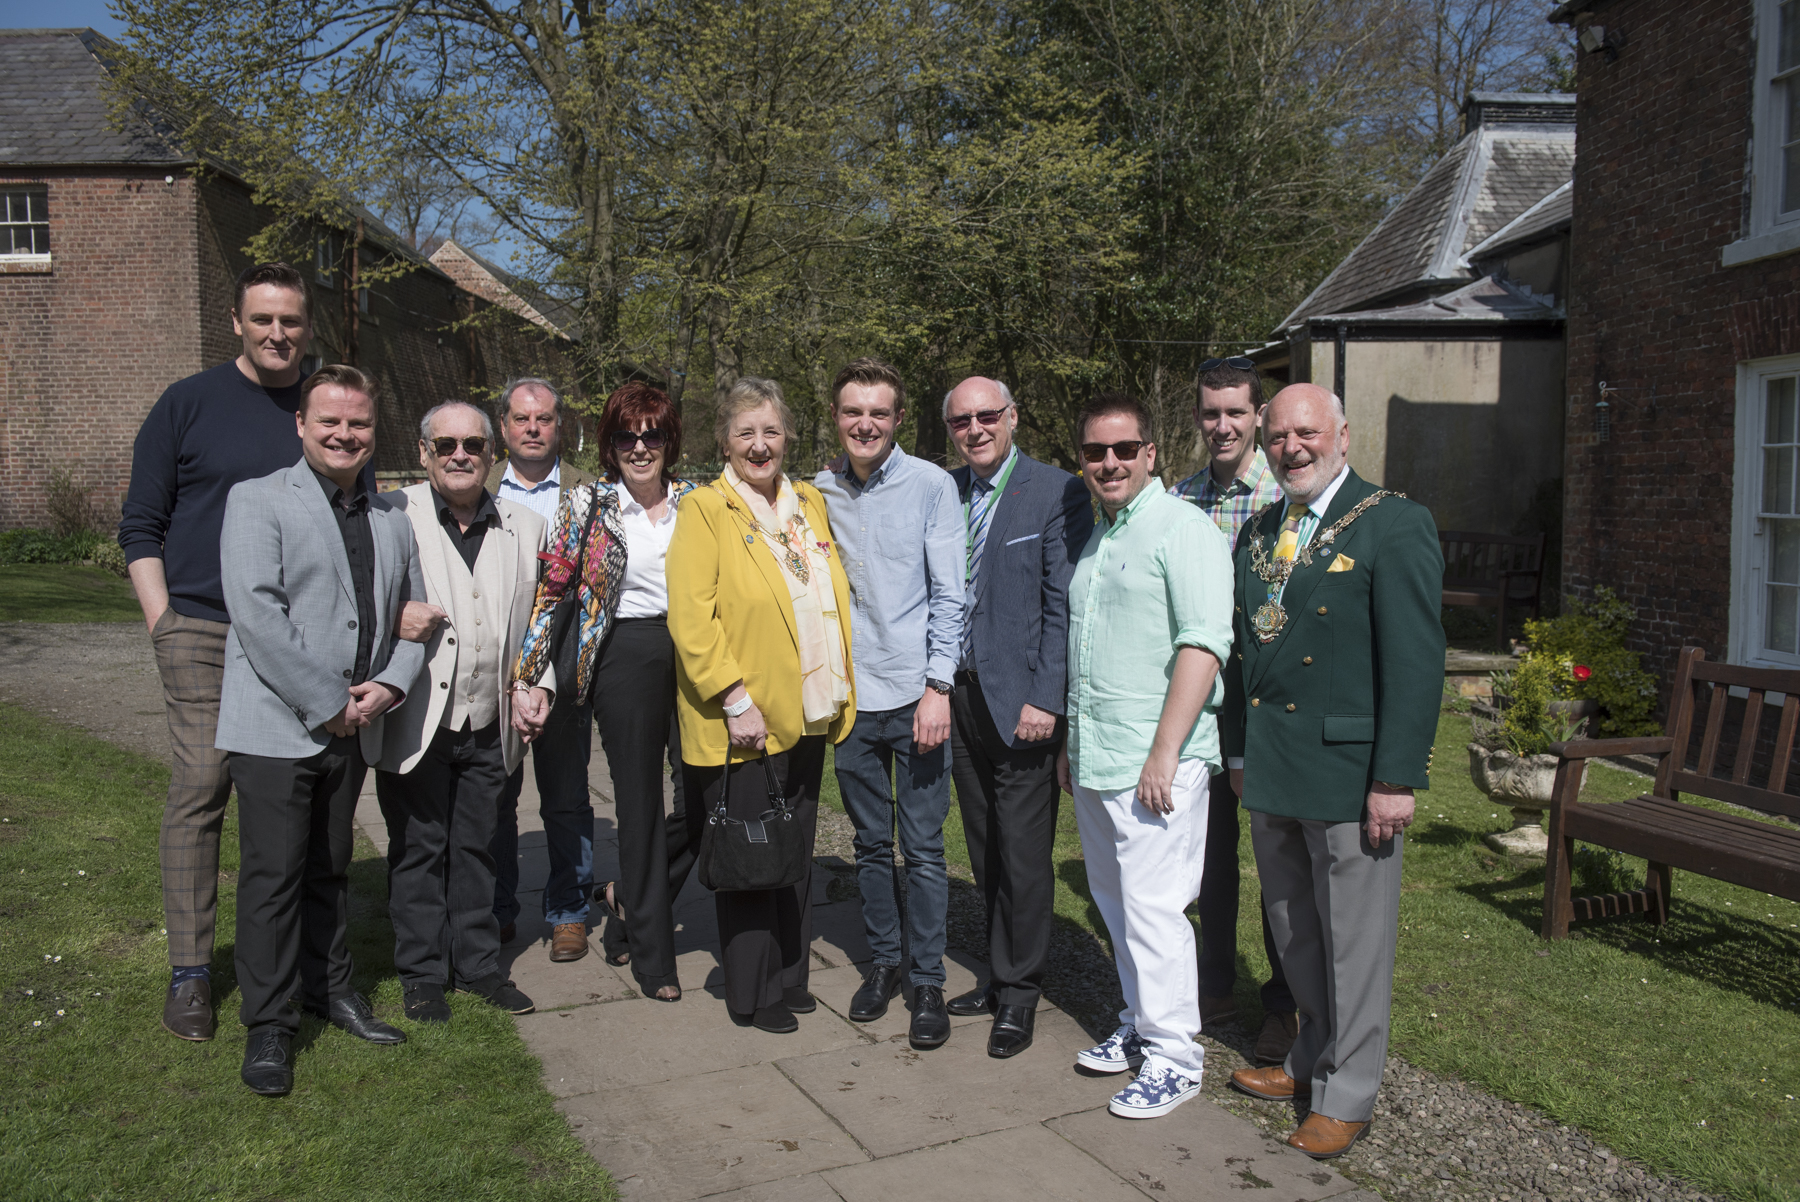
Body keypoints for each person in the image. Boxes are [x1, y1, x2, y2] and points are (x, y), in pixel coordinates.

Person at [1221, 383, 1442, 1158]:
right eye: (1278, 436)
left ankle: (1348, 1093)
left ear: (1343, 436)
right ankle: (1308, 1058)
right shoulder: (1259, 531)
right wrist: (1238, 751)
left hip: (1351, 775)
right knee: (1295, 934)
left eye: (1307, 433)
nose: (1292, 449)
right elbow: (1244, 652)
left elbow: (1415, 661)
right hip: (1274, 766)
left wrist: (1395, 779)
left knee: (1353, 942)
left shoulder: (1394, 523)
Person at [119, 263, 324, 1042]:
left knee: (289, 799)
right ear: (237, 322)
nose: (277, 333)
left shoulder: (324, 410)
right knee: (201, 788)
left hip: (295, 637)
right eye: (262, 319)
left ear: (307, 327)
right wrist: (164, 622)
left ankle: (296, 963)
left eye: (290, 321)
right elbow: (142, 523)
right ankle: (191, 974)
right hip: (203, 630)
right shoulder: (188, 403)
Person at [215, 364, 427, 1096]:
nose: (344, 434)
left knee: (330, 868)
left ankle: (330, 990)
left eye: (358, 423)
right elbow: (257, 614)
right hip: (277, 725)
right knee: (273, 879)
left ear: (374, 430)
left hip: (354, 724)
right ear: (301, 424)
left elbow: (415, 618)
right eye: (330, 421)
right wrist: (328, 701)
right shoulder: (257, 500)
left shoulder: (391, 518)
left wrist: (391, 684)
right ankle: (269, 1025)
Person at [1058, 392, 1233, 1120]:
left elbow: (1204, 644)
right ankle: (1139, 1023)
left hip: (1157, 762)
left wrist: (1164, 752)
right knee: (1118, 905)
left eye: (1124, 449)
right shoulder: (1098, 537)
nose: (1110, 462)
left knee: (1156, 911)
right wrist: (1072, 744)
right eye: (1096, 452)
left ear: (1151, 454)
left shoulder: (1183, 529)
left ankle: (1175, 1058)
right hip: (1098, 756)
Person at [667, 377, 854, 1033]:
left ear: (788, 437)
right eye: (745, 432)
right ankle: (754, 992)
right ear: (724, 441)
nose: (759, 444)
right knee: (750, 852)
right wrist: (735, 699)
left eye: (771, 430)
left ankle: (792, 974)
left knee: (792, 848)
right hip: (743, 716)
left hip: (806, 709)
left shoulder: (808, 503)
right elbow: (692, 621)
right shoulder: (704, 510)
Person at [513, 382, 697, 1001]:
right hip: (625, 652)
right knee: (639, 803)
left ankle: (625, 900)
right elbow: (552, 592)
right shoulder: (586, 504)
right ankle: (654, 959)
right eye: (626, 436)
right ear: (608, 443)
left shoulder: (698, 502)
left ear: (670, 441)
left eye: (652, 435)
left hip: (696, 653)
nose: (639, 448)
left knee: (704, 797)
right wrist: (530, 675)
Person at [373, 401, 544, 1024]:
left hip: (490, 717)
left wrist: (536, 684)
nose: (460, 456)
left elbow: (540, 620)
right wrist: (393, 615)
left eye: (473, 444)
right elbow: (359, 599)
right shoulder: (390, 514)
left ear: (491, 453)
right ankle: (422, 976)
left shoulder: (526, 526)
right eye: (445, 445)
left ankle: (477, 968)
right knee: (419, 848)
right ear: (424, 453)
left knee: (477, 847)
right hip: (416, 715)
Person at [812, 358, 963, 1050]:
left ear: (899, 418)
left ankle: (928, 980)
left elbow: (951, 595)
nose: (865, 424)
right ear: (836, 417)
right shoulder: (817, 493)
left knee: (924, 850)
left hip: (915, 695)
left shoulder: (932, 486)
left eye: (878, 412)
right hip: (852, 700)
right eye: (853, 411)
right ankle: (884, 963)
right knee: (871, 844)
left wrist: (939, 688)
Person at [940, 376, 1091, 1058]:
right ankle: (999, 977)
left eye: (987, 416)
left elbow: (1064, 605)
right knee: (985, 849)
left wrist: (1047, 697)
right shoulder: (946, 492)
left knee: (1025, 856)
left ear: (1012, 417)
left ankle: (1022, 994)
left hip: (1023, 703)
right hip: (961, 698)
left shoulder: (1057, 491)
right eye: (961, 421)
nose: (975, 429)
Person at [1168, 355, 1297, 1066]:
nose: (1223, 426)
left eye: (1236, 413)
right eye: (1211, 413)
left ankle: (1284, 1004)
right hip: (1203, 707)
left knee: (1280, 862)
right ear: (1198, 417)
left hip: (1270, 705)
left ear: (1258, 416)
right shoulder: (1180, 499)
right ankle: (1214, 983)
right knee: (1207, 857)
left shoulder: (1287, 496)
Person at [484, 377, 601, 960]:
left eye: (545, 419)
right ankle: (498, 908)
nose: (533, 428)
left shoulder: (591, 492)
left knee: (565, 795)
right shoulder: (476, 484)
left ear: (561, 425)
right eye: (522, 419)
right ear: (503, 425)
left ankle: (568, 911)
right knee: (494, 796)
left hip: (564, 662)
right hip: (495, 662)